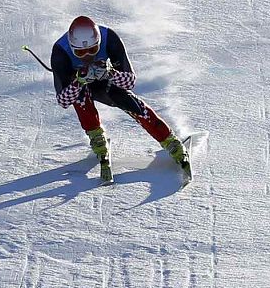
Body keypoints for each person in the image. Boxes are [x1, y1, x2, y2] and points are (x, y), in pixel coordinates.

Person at [51, 15, 191, 184]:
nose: (87, 56)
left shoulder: (109, 38)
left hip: (107, 82)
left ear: (99, 42)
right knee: (80, 98)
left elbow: (130, 81)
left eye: (93, 50)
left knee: (125, 99)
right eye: (80, 53)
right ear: (72, 47)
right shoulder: (60, 52)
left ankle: (168, 139)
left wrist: (111, 73)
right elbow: (63, 100)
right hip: (81, 86)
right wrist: (79, 81)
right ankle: (97, 138)